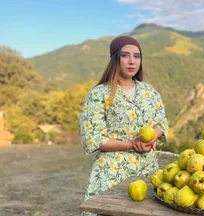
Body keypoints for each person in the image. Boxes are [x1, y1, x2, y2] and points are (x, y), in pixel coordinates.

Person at [79, 35, 168, 215]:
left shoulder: (150, 92)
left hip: (148, 170)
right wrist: (131, 144)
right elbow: (93, 139)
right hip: (112, 173)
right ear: (115, 59)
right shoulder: (99, 95)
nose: (131, 61)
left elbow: (162, 124)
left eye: (137, 56)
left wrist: (154, 137)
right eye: (125, 55)